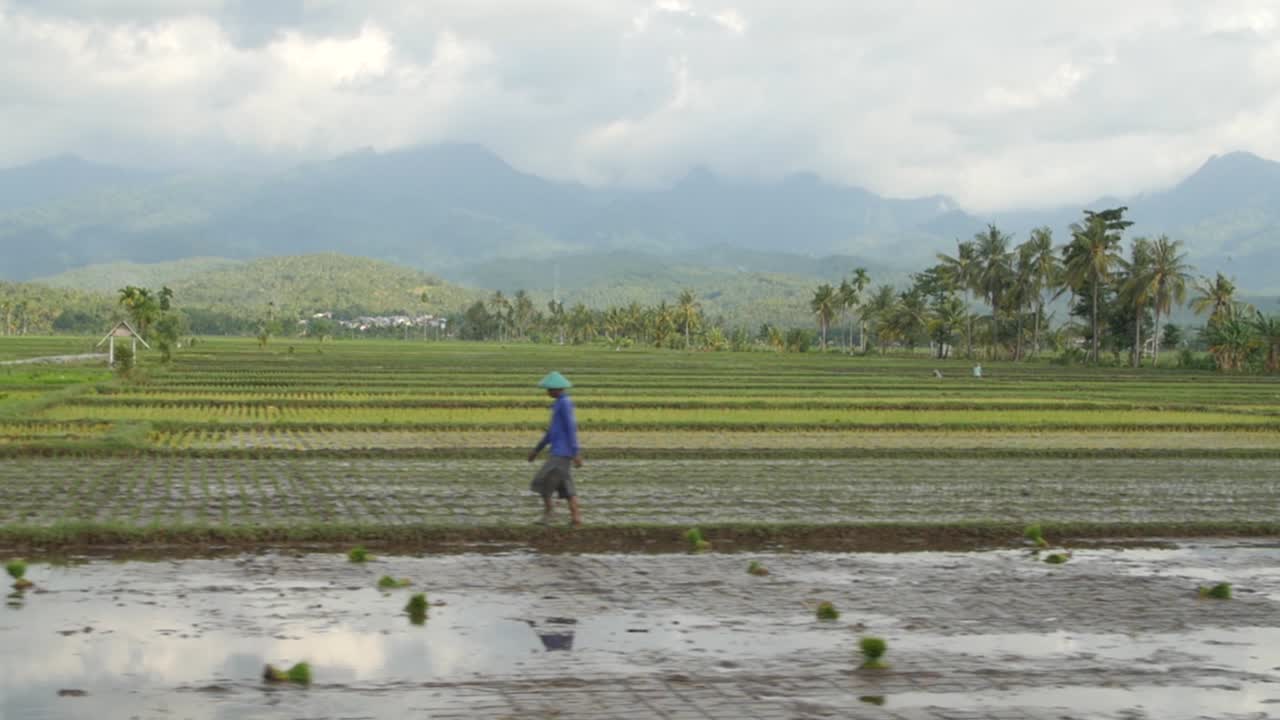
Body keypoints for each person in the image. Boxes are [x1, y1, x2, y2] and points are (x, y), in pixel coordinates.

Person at [528, 371, 584, 526]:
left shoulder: (565, 404)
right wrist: (536, 450)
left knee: (542, 482)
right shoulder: (558, 404)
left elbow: (571, 428)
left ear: (557, 389)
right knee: (566, 486)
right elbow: (551, 433)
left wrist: (576, 452)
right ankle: (576, 518)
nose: (547, 392)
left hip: (561, 453)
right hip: (559, 452)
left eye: (549, 389)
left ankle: (549, 513)